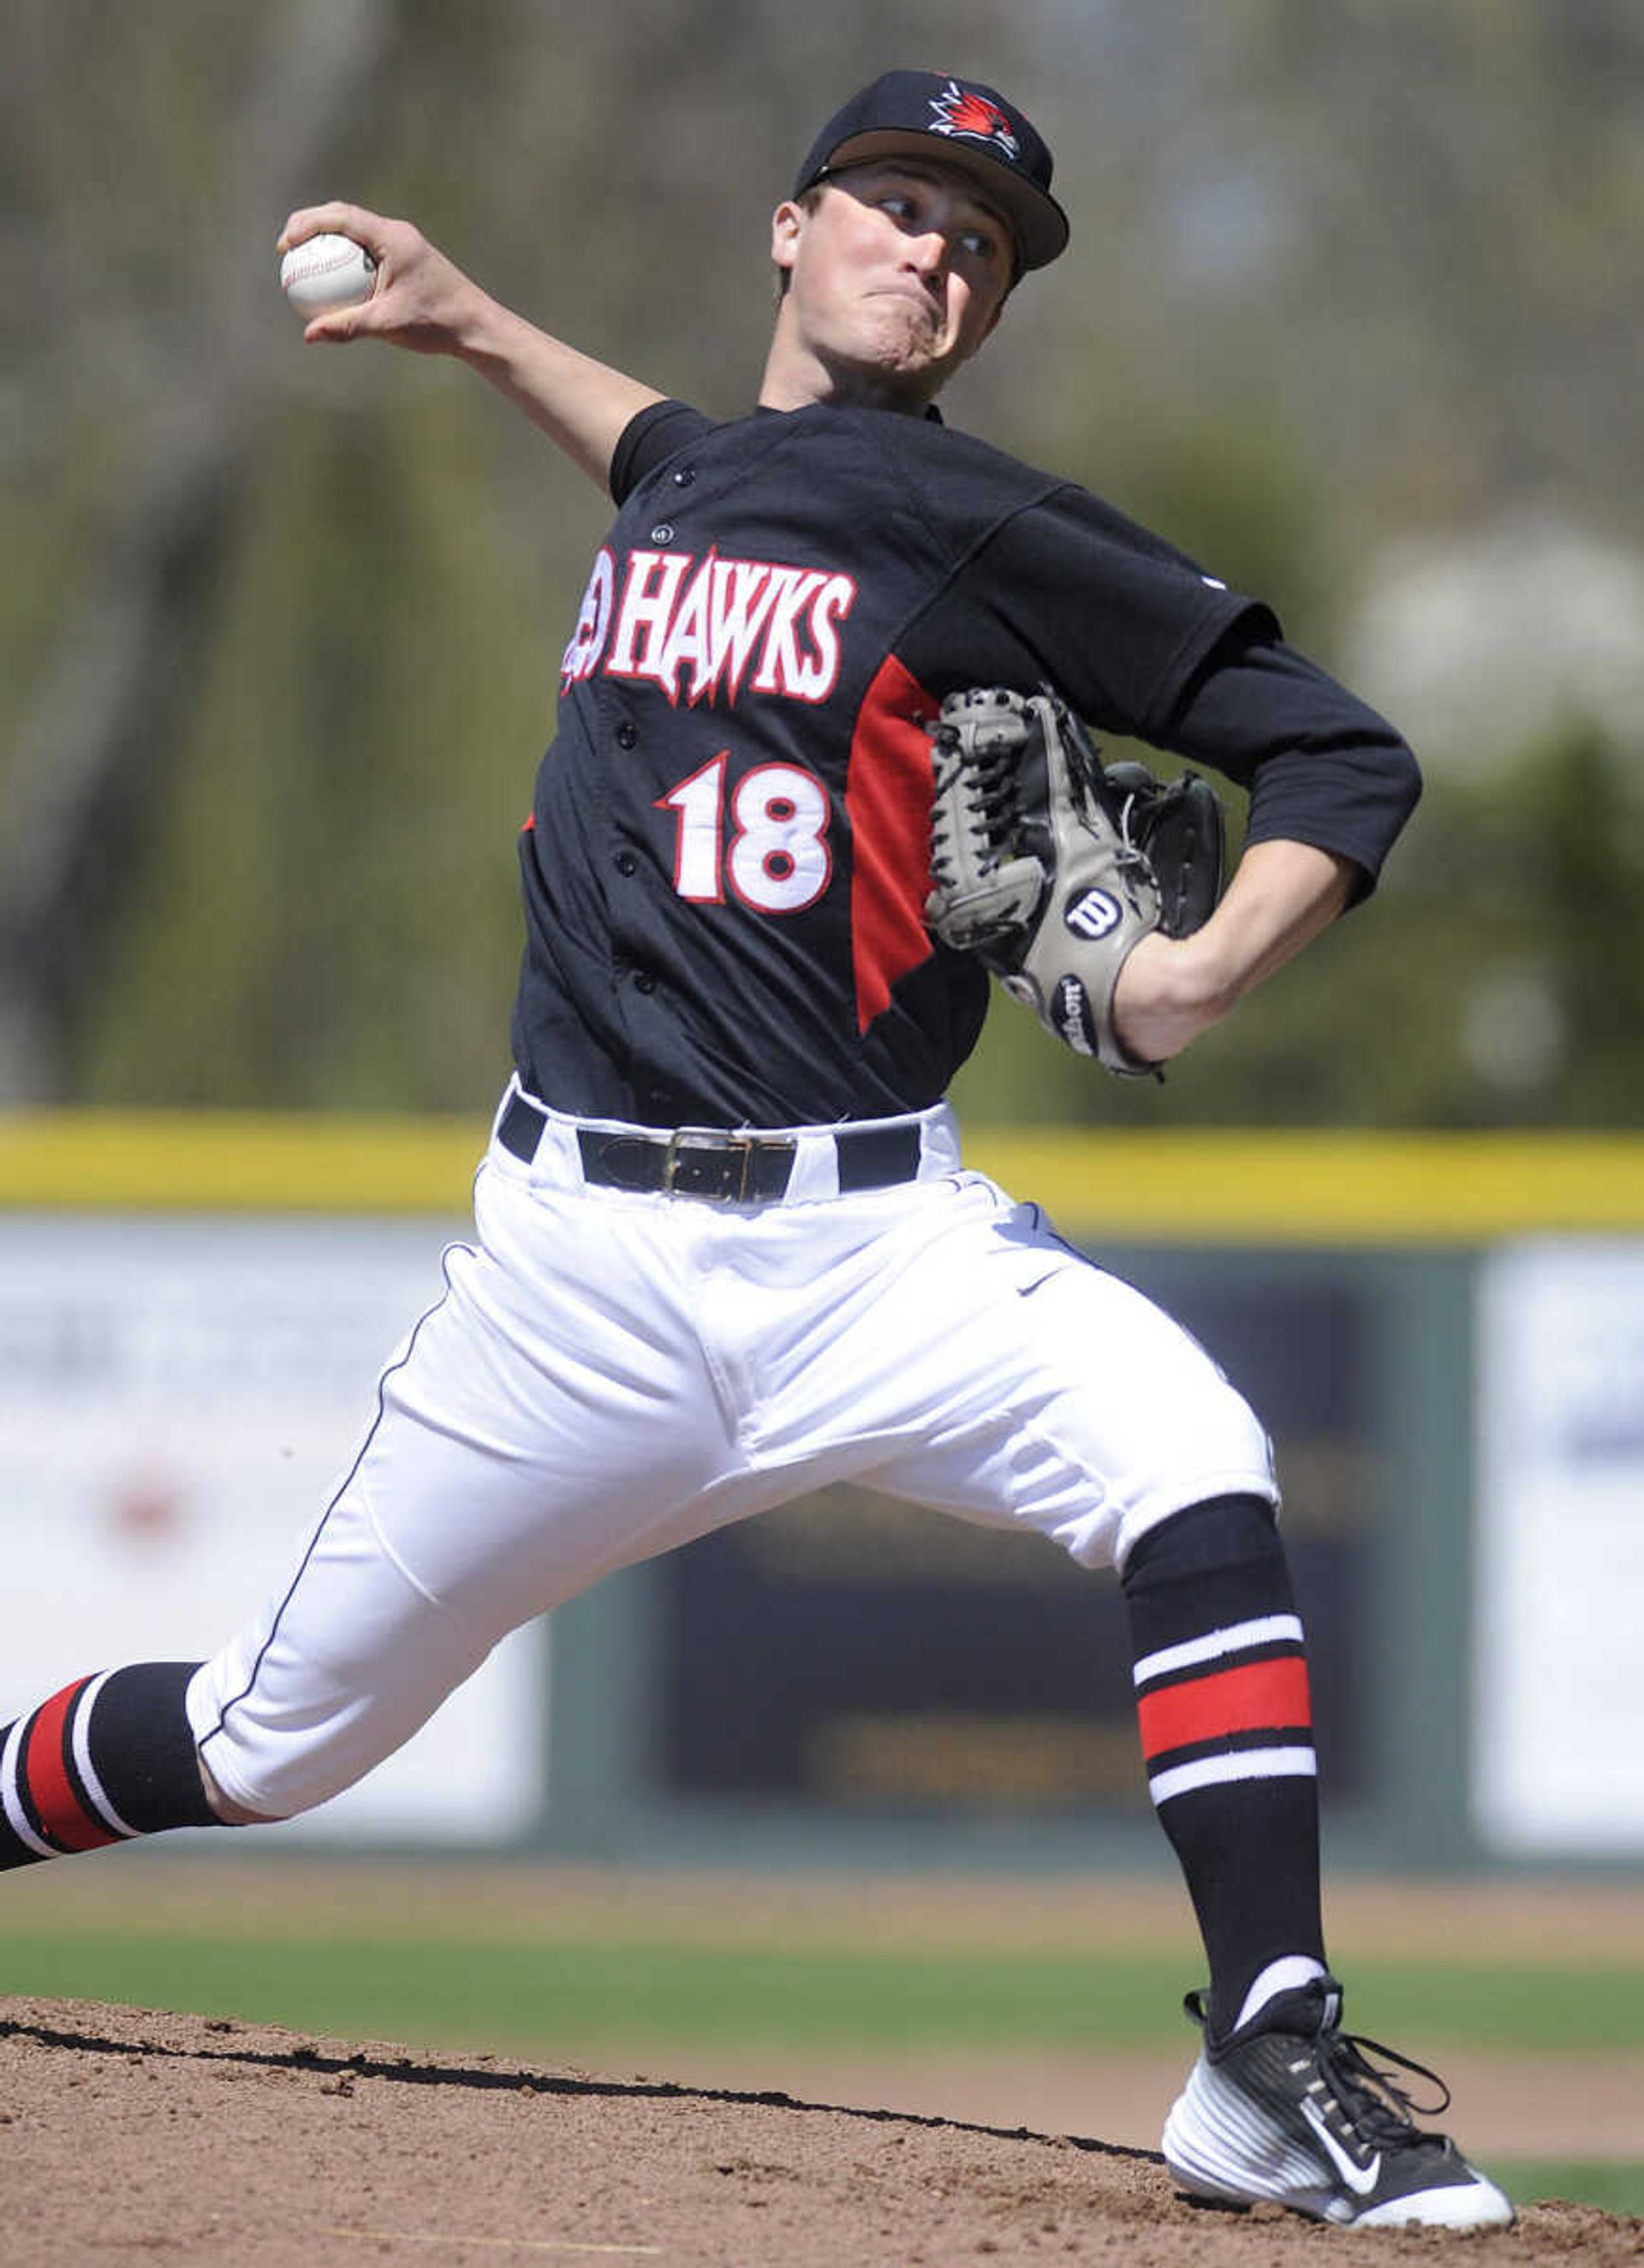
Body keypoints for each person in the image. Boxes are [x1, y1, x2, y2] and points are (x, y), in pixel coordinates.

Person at [1, 69, 1510, 2232]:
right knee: (269, 1743)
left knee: (1198, 1456)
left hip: (875, 1250)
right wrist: (476, 322)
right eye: (902, 204)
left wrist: (1190, 979)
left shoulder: (980, 530)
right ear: (786, 229)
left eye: (980, 241)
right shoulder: (698, 479)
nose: (940, 253)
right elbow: (673, 454)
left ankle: (1268, 2048)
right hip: (573, 1278)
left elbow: (1340, 749)